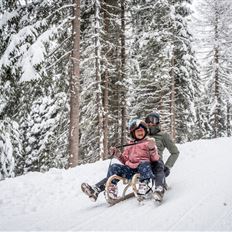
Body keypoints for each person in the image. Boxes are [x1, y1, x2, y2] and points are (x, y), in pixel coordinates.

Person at [81, 118, 165, 202]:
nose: (140, 133)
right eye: (138, 131)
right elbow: (125, 160)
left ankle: (144, 186)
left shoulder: (149, 143)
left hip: (144, 171)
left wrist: (152, 148)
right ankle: (110, 189)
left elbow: (155, 159)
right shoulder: (129, 145)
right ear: (133, 133)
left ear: (145, 131)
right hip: (130, 170)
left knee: (144, 163)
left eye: (142, 131)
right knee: (114, 167)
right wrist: (117, 154)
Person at [145, 112, 180, 200]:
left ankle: (159, 188)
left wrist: (167, 166)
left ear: (157, 122)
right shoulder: (143, 135)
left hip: (157, 162)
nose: (149, 123)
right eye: (147, 121)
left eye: (152, 120)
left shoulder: (163, 135)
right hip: (143, 162)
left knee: (158, 167)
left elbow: (175, 152)